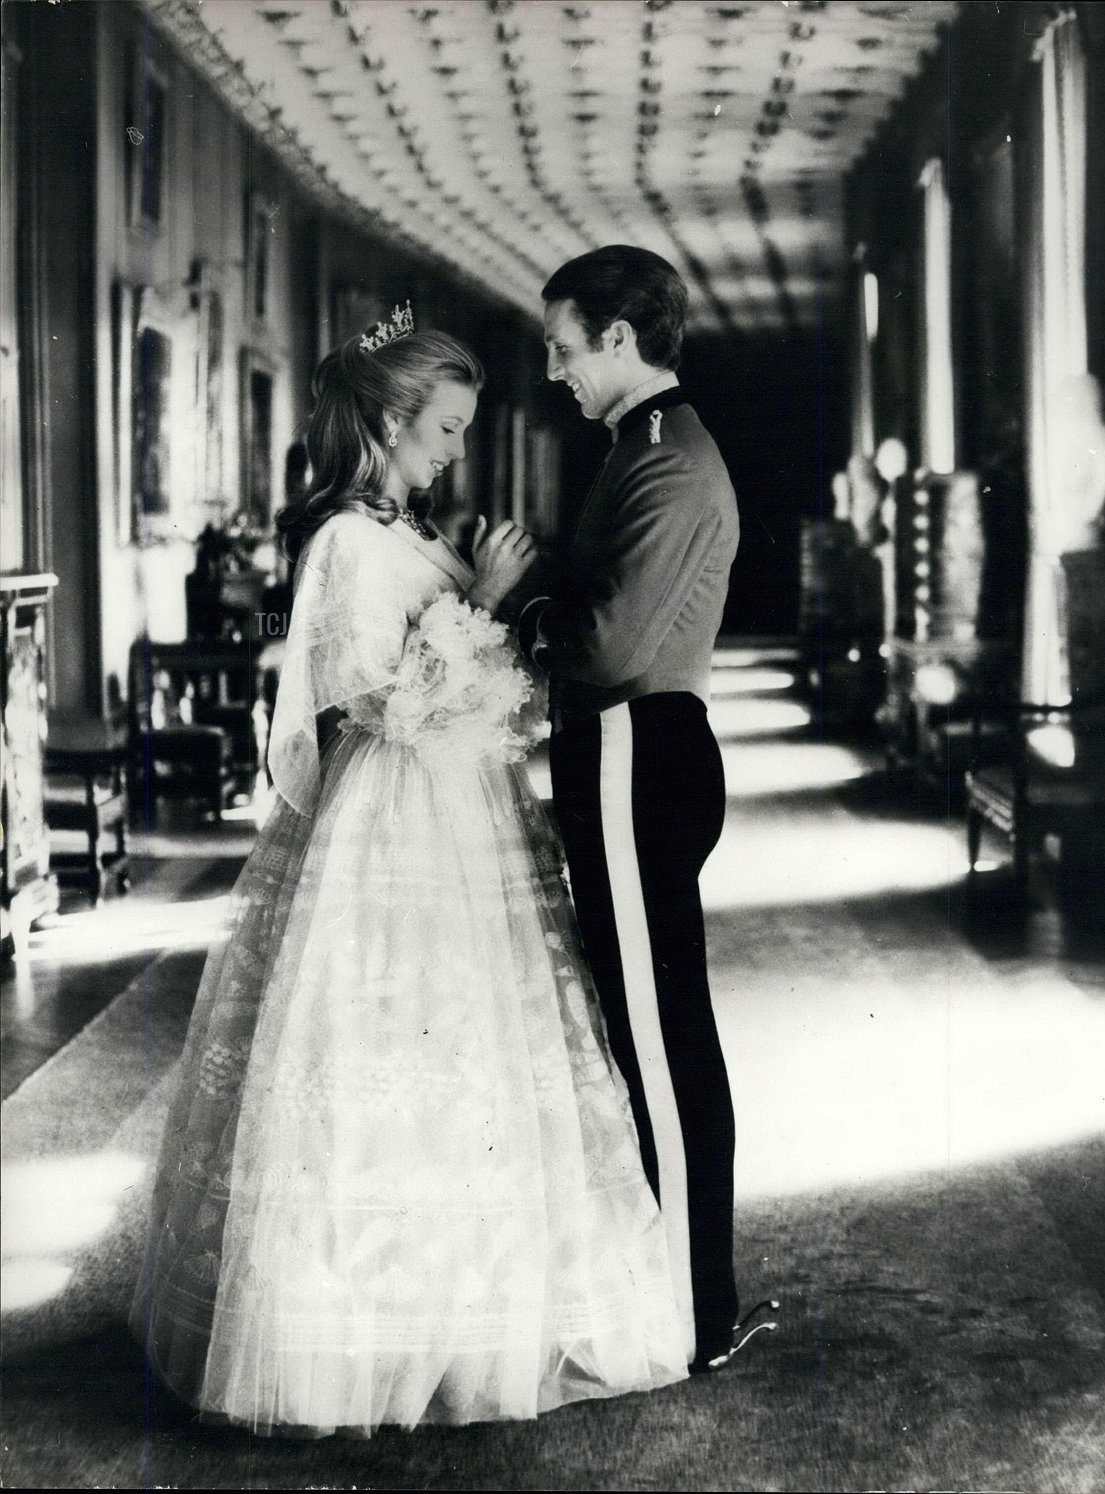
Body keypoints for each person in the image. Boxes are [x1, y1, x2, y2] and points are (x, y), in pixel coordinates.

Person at [130, 308, 689, 1435]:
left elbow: (477, 690)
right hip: (389, 824)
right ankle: (361, 1337)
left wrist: (485, 597)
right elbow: (380, 707)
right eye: (440, 426)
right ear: (386, 420)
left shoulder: (411, 528)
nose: (451, 448)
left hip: (467, 814)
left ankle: (473, 1310)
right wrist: (477, 599)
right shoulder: (343, 541)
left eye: (462, 428)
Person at [519, 246, 774, 1374]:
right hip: (631, 756)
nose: (555, 372)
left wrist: (521, 601)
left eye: (566, 349)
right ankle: (683, 1294)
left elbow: (611, 649)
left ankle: (691, 1315)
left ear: (621, 342)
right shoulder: (638, 448)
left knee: (664, 1047)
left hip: (636, 753)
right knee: (652, 1032)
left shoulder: (666, 462)